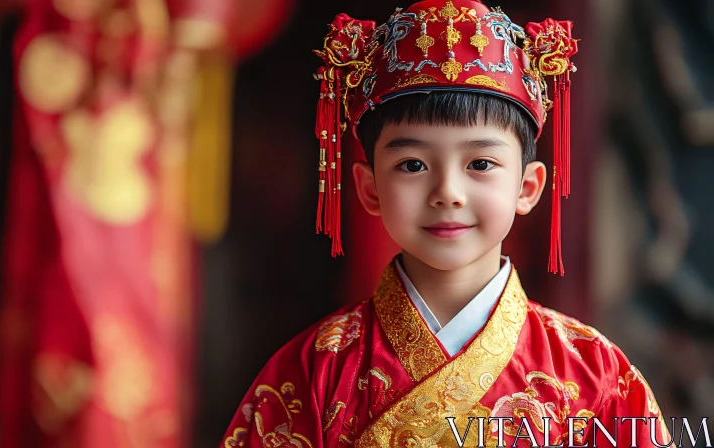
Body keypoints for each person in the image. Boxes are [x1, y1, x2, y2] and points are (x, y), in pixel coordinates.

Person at [221, 1, 676, 446]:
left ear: (528, 187)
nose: (448, 192)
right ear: (369, 189)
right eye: (413, 165)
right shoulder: (312, 370)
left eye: (480, 162)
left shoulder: (594, 372)